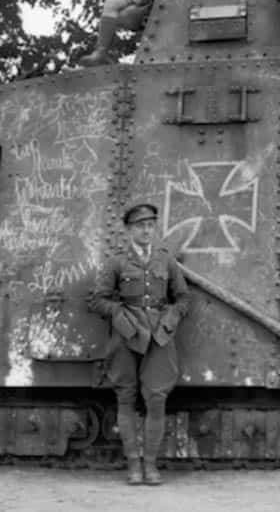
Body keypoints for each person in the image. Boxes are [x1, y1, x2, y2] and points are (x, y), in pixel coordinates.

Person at [87, 203, 191, 485]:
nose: (146, 230)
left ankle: (151, 466)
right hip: (126, 336)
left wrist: (169, 319)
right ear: (129, 230)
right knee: (126, 397)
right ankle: (133, 466)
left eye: (150, 225)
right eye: (140, 226)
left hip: (159, 336)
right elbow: (98, 300)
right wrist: (119, 315)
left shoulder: (166, 261)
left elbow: (183, 299)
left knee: (156, 400)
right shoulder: (116, 262)